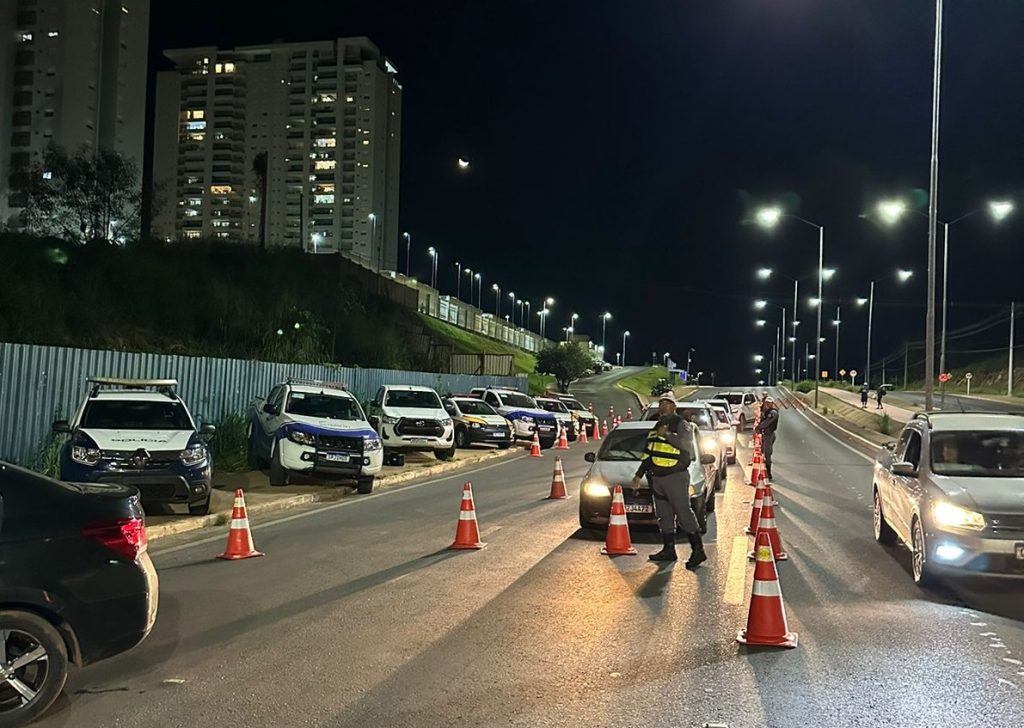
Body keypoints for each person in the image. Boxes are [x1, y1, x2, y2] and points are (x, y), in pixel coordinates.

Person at [630, 391, 706, 568]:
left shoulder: (682, 424)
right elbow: (650, 452)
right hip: (658, 478)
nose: (663, 406)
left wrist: (668, 435)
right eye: (661, 403)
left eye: (667, 403)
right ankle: (668, 550)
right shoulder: (657, 425)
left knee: (683, 513)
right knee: (664, 515)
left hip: (675, 477)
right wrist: (638, 474)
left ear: (674, 406)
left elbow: (686, 445)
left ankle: (698, 550)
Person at [754, 397, 780, 480]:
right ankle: (764, 471)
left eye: (769, 403)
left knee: (767, 454)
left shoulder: (773, 413)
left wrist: (759, 427)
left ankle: (769, 473)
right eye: (766, 403)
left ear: (772, 403)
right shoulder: (766, 411)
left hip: (769, 435)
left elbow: (767, 422)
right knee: (763, 453)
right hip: (765, 434)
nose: (768, 404)